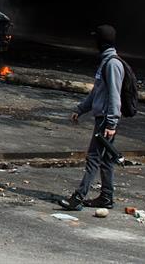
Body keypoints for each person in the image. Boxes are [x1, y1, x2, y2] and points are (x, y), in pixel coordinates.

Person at [58, 24, 124, 211]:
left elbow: (114, 96)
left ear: (101, 42)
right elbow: (97, 92)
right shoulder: (106, 62)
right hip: (104, 118)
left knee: (94, 158)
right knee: (106, 160)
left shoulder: (112, 64)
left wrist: (111, 122)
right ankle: (106, 197)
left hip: (106, 120)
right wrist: (81, 109)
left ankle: (78, 198)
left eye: (96, 39)